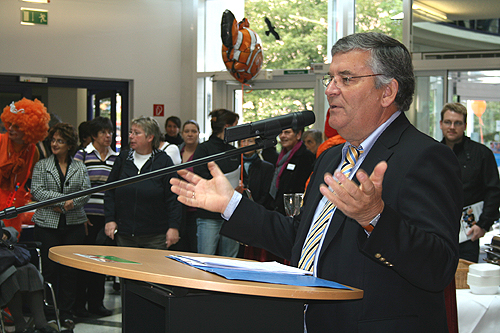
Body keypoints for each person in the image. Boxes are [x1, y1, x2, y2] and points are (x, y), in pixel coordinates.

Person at [170, 32, 463, 332]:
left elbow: (438, 266)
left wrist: (375, 217)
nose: (331, 90)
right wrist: (231, 204)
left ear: (387, 92)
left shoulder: (425, 156)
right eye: (331, 78)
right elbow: (300, 239)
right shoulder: (331, 158)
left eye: (346, 79)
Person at [31, 123, 91, 330]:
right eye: (53, 140)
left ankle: (67, 313)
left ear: (69, 144)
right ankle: (48, 313)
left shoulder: (79, 166)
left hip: (73, 225)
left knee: (69, 272)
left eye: (60, 141)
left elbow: (86, 192)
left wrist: (71, 204)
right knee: (49, 270)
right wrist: (62, 201)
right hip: (47, 225)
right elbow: (37, 191)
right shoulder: (41, 165)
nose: (55, 144)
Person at [104, 116, 181, 250]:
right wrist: (110, 219)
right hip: (124, 233)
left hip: (155, 235)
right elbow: (110, 191)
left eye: (136, 133)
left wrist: (174, 227)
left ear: (150, 137)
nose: (131, 136)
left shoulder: (163, 161)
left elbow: (173, 198)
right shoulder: (123, 159)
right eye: (131, 132)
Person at [440, 102, 500, 262]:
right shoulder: (433, 154)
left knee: (465, 282)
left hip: (468, 235)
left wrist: (483, 225)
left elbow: (494, 192)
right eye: (448, 122)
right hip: (437, 233)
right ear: (440, 124)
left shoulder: (482, 154)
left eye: (457, 123)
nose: (452, 127)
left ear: (465, 125)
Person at [73, 116, 118, 318]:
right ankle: (79, 305)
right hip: (85, 216)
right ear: (93, 136)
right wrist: (81, 214)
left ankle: (96, 303)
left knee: (102, 261)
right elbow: (74, 187)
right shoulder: (82, 155)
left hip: (106, 217)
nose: (108, 136)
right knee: (83, 262)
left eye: (110, 132)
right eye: (103, 133)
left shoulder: (116, 157)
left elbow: (117, 189)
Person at [192, 109, 240, 257]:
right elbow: (199, 177)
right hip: (208, 214)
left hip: (231, 214)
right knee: (205, 259)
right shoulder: (203, 149)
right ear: (227, 127)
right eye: (235, 125)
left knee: (231, 261)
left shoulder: (234, 151)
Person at [0, 98, 50, 235]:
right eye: (10, 124)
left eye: (16, 126)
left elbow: (34, 179)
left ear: (29, 129)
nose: (9, 129)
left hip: (14, 206)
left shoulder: (32, 151)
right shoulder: (0, 142)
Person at [1, 222, 58, 333]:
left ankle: (41, 322)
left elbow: (12, 231)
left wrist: (6, 233)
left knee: (29, 269)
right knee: (11, 273)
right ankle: (20, 325)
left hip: (5, 258)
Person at [269, 127, 315, 215]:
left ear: (298, 135)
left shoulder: (306, 156)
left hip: (296, 212)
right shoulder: (282, 156)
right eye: (281, 133)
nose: (282, 136)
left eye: (287, 132)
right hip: (280, 209)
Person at [171, 120, 201, 252]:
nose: (190, 134)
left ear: (198, 134)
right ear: (182, 133)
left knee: (195, 246)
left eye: (193, 131)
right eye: (187, 131)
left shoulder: (203, 152)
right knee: (180, 247)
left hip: (197, 207)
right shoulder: (176, 151)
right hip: (178, 206)